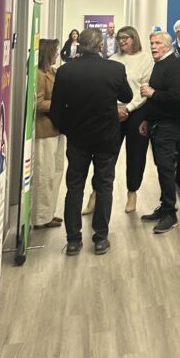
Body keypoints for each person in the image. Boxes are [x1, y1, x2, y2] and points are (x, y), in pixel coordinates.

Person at [49, 28, 132, 255]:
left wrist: (68, 129)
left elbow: (56, 110)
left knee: (74, 187)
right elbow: (127, 97)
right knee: (104, 185)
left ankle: (73, 240)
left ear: (80, 45)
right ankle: (101, 238)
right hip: (107, 138)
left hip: (77, 139)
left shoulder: (65, 71)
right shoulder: (115, 69)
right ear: (101, 47)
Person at [138, 31, 180, 234]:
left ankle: (170, 214)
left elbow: (176, 96)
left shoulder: (174, 65)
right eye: (151, 43)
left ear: (167, 46)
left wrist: (152, 92)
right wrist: (146, 119)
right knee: (162, 167)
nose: (153, 46)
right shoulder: (160, 64)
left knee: (166, 168)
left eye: (158, 43)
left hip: (170, 124)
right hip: (158, 123)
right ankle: (165, 207)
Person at [110, 25, 154, 214]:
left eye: (126, 37)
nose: (122, 41)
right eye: (120, 37)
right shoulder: (112, 60)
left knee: (136, 154)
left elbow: (144, 91)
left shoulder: (145, 60)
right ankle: (97, 192)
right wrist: (115, 109)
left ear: (134, 39)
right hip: (113, 111)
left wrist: (127, 108)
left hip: (137, 112)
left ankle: (132, 192)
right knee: (108, 154)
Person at [32, 38, 64, 229]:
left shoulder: (52, 72)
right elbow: (37, 103)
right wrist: (61, 105)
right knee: (44, 176)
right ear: (47, 53)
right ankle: (40, 218)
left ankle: (48, 213)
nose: (57, 55)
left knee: (55, 173)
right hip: (44, 131)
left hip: (57, 129)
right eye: (55, 51)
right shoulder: (38, 75)